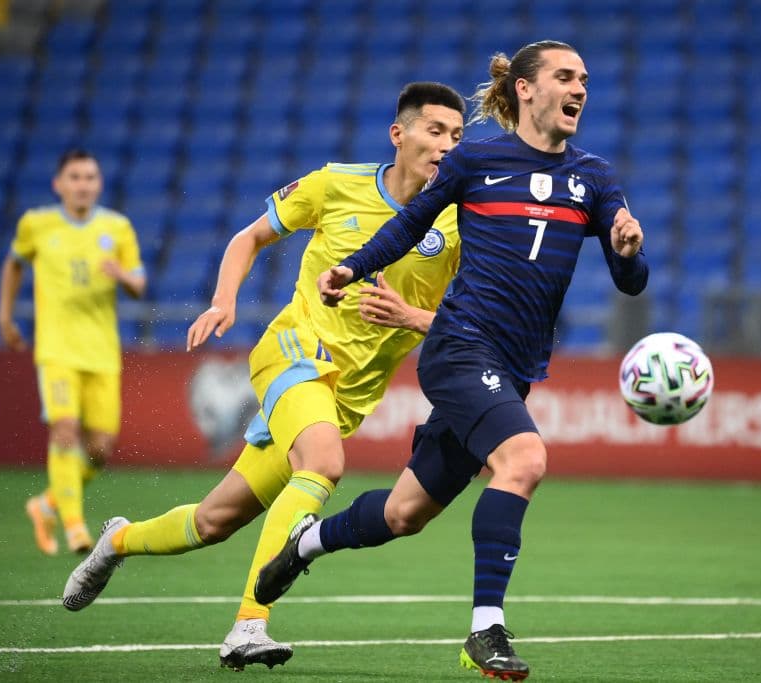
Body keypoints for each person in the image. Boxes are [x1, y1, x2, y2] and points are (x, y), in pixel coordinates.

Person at [257, 40, 648, 682]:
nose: (580, 88)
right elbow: (409, 225)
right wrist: (354, 266)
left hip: (514, 366)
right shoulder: (476, 159)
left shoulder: (594, 177)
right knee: (524, 460)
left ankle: (305, 542)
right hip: (460, 347)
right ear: (525, 88)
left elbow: (629, 280)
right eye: (565, 76)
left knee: (403, 514)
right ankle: (485, 631)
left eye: (585, 79)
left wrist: (628, 249)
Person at [60, 82, 467, 672]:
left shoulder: (457, 223)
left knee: (212, 522)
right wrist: (224, 300)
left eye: (457, 136)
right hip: (292, 351)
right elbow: (249, 236)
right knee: (323, 463)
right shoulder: (335, 183)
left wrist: (412, 318)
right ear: (399, 134)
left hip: (346, 396)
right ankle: (249, 624)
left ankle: (116, 541)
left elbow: (467, 320)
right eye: (435, 132)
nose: (447, 146)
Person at [0, 149, 147, 557]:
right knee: (64, 431)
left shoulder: (117, 228)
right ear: (58, 184)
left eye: (90, 177)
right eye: (75, 177)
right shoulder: (37, 225)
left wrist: (122, 276)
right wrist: (5, 316)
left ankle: (46, 504)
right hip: (57, 350)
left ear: (99, 184)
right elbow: (13, 264)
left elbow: (139, 283)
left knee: (99, 450)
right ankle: (75, 527)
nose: (83, 184)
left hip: (101, 352)